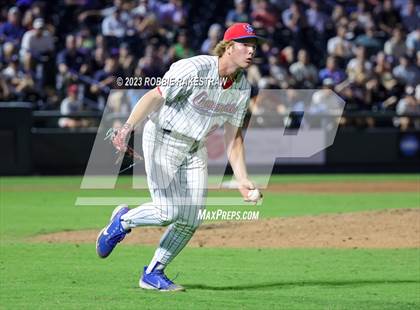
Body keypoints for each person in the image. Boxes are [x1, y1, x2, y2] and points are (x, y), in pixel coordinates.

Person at [96, 23, 263, 291]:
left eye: (254, 45)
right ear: (229, 47)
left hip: (194, 147)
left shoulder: (242, 88)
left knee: (192, 217)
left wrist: (242, 178)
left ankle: (153, 273)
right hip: (162, 138)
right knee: (167, 211)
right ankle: (122, 221)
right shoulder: (195, 69)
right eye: (245, 44)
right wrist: (127, 127)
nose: (251, 49)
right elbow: (154, 96)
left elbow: (234, 136)